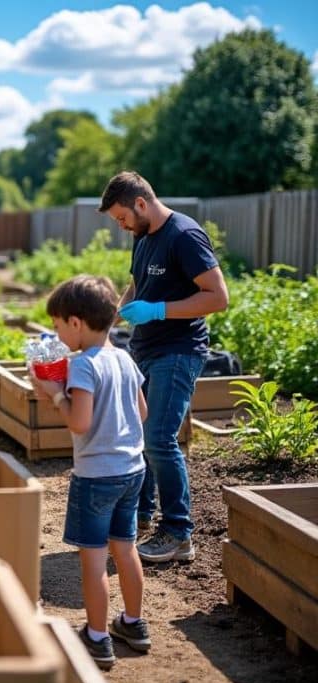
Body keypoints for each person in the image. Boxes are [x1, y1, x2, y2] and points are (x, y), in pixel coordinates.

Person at [100, 171, 228, 564]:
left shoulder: (184, 236)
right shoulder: (143, 236)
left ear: (141, 203)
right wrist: (111, 320)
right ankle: (139, 517)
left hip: (178, 350)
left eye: (122, 217)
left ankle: (178, 533)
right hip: (145, 347)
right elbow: (137, 285)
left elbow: (217, 297)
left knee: (159, 439)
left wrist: (159, 310)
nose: (122, 226)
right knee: (138, 435)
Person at [28, 275, 151, 670]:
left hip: (96, 475)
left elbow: (79, 423)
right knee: (126, 549)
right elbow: (142, 413)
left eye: (58, 326)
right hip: (132, 470)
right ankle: (133, 623)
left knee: (94, 560)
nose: (58, 334)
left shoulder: (82, 365)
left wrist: (56, 394)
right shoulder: (125, 359)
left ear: (76, 322)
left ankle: (97, 638)